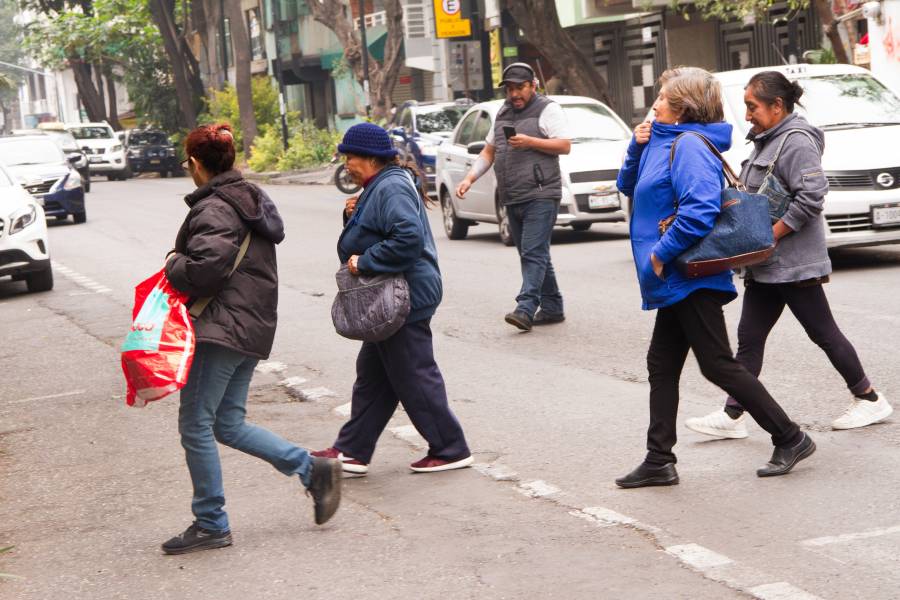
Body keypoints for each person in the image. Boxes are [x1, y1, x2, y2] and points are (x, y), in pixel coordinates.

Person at [614, 68, 815, 488]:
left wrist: (659, 254)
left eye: (663, 98)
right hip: (673, 277)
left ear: (683, 108)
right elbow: (627, 185)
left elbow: (701, 209)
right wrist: (635, 147)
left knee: (718, 364)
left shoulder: (689, 147)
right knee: (662, 364)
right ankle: (658, 460)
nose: (654, 104)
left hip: (689, 273)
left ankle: (789, 435)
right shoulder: (662, 141)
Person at [161, 123, 341, 555]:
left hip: (221, 329)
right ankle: (311, 469)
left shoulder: (215, 209)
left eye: (189, 163)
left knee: (195, 425)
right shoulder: (248, 199)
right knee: (228, 423)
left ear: (198, 165)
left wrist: (173, 263)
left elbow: (206, 270)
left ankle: (210, 522)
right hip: (250, 327)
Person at [685, 71, 891, 439]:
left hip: (794, 264)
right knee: (750, 337)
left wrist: (770, 237)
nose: (747, 114)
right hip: (767, 264)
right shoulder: (766, 140)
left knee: (823, 332)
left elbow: (811, 196)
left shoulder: (796, 141)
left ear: (777, 105)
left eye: (752, 106)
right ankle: (733, 415)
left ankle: (869, 397)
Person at [313, 123, 472, 475]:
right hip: (390, 298)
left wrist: (363, 262)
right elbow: (378, 229)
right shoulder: (379, 186)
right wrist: (352, 216)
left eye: (350, 156)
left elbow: (407, 239)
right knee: (373, 375)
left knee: (413, 375)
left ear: (371, 158)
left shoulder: (392, 186)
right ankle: (352, 450)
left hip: (404, 297)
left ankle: (450, 447)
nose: (347, 164)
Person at [456, 62, 571, 332]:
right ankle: (552, 306)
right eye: (510, 89)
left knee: (533, 252)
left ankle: (526, 307)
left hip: (542, 194)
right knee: (532, 253)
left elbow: (564, 145)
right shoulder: (503, 113)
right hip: (512, 195)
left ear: (533, 85)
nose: (515, 94)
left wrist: (531, 141)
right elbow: (488, 152)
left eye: (520, 87)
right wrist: (469, 178)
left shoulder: (548, 109)